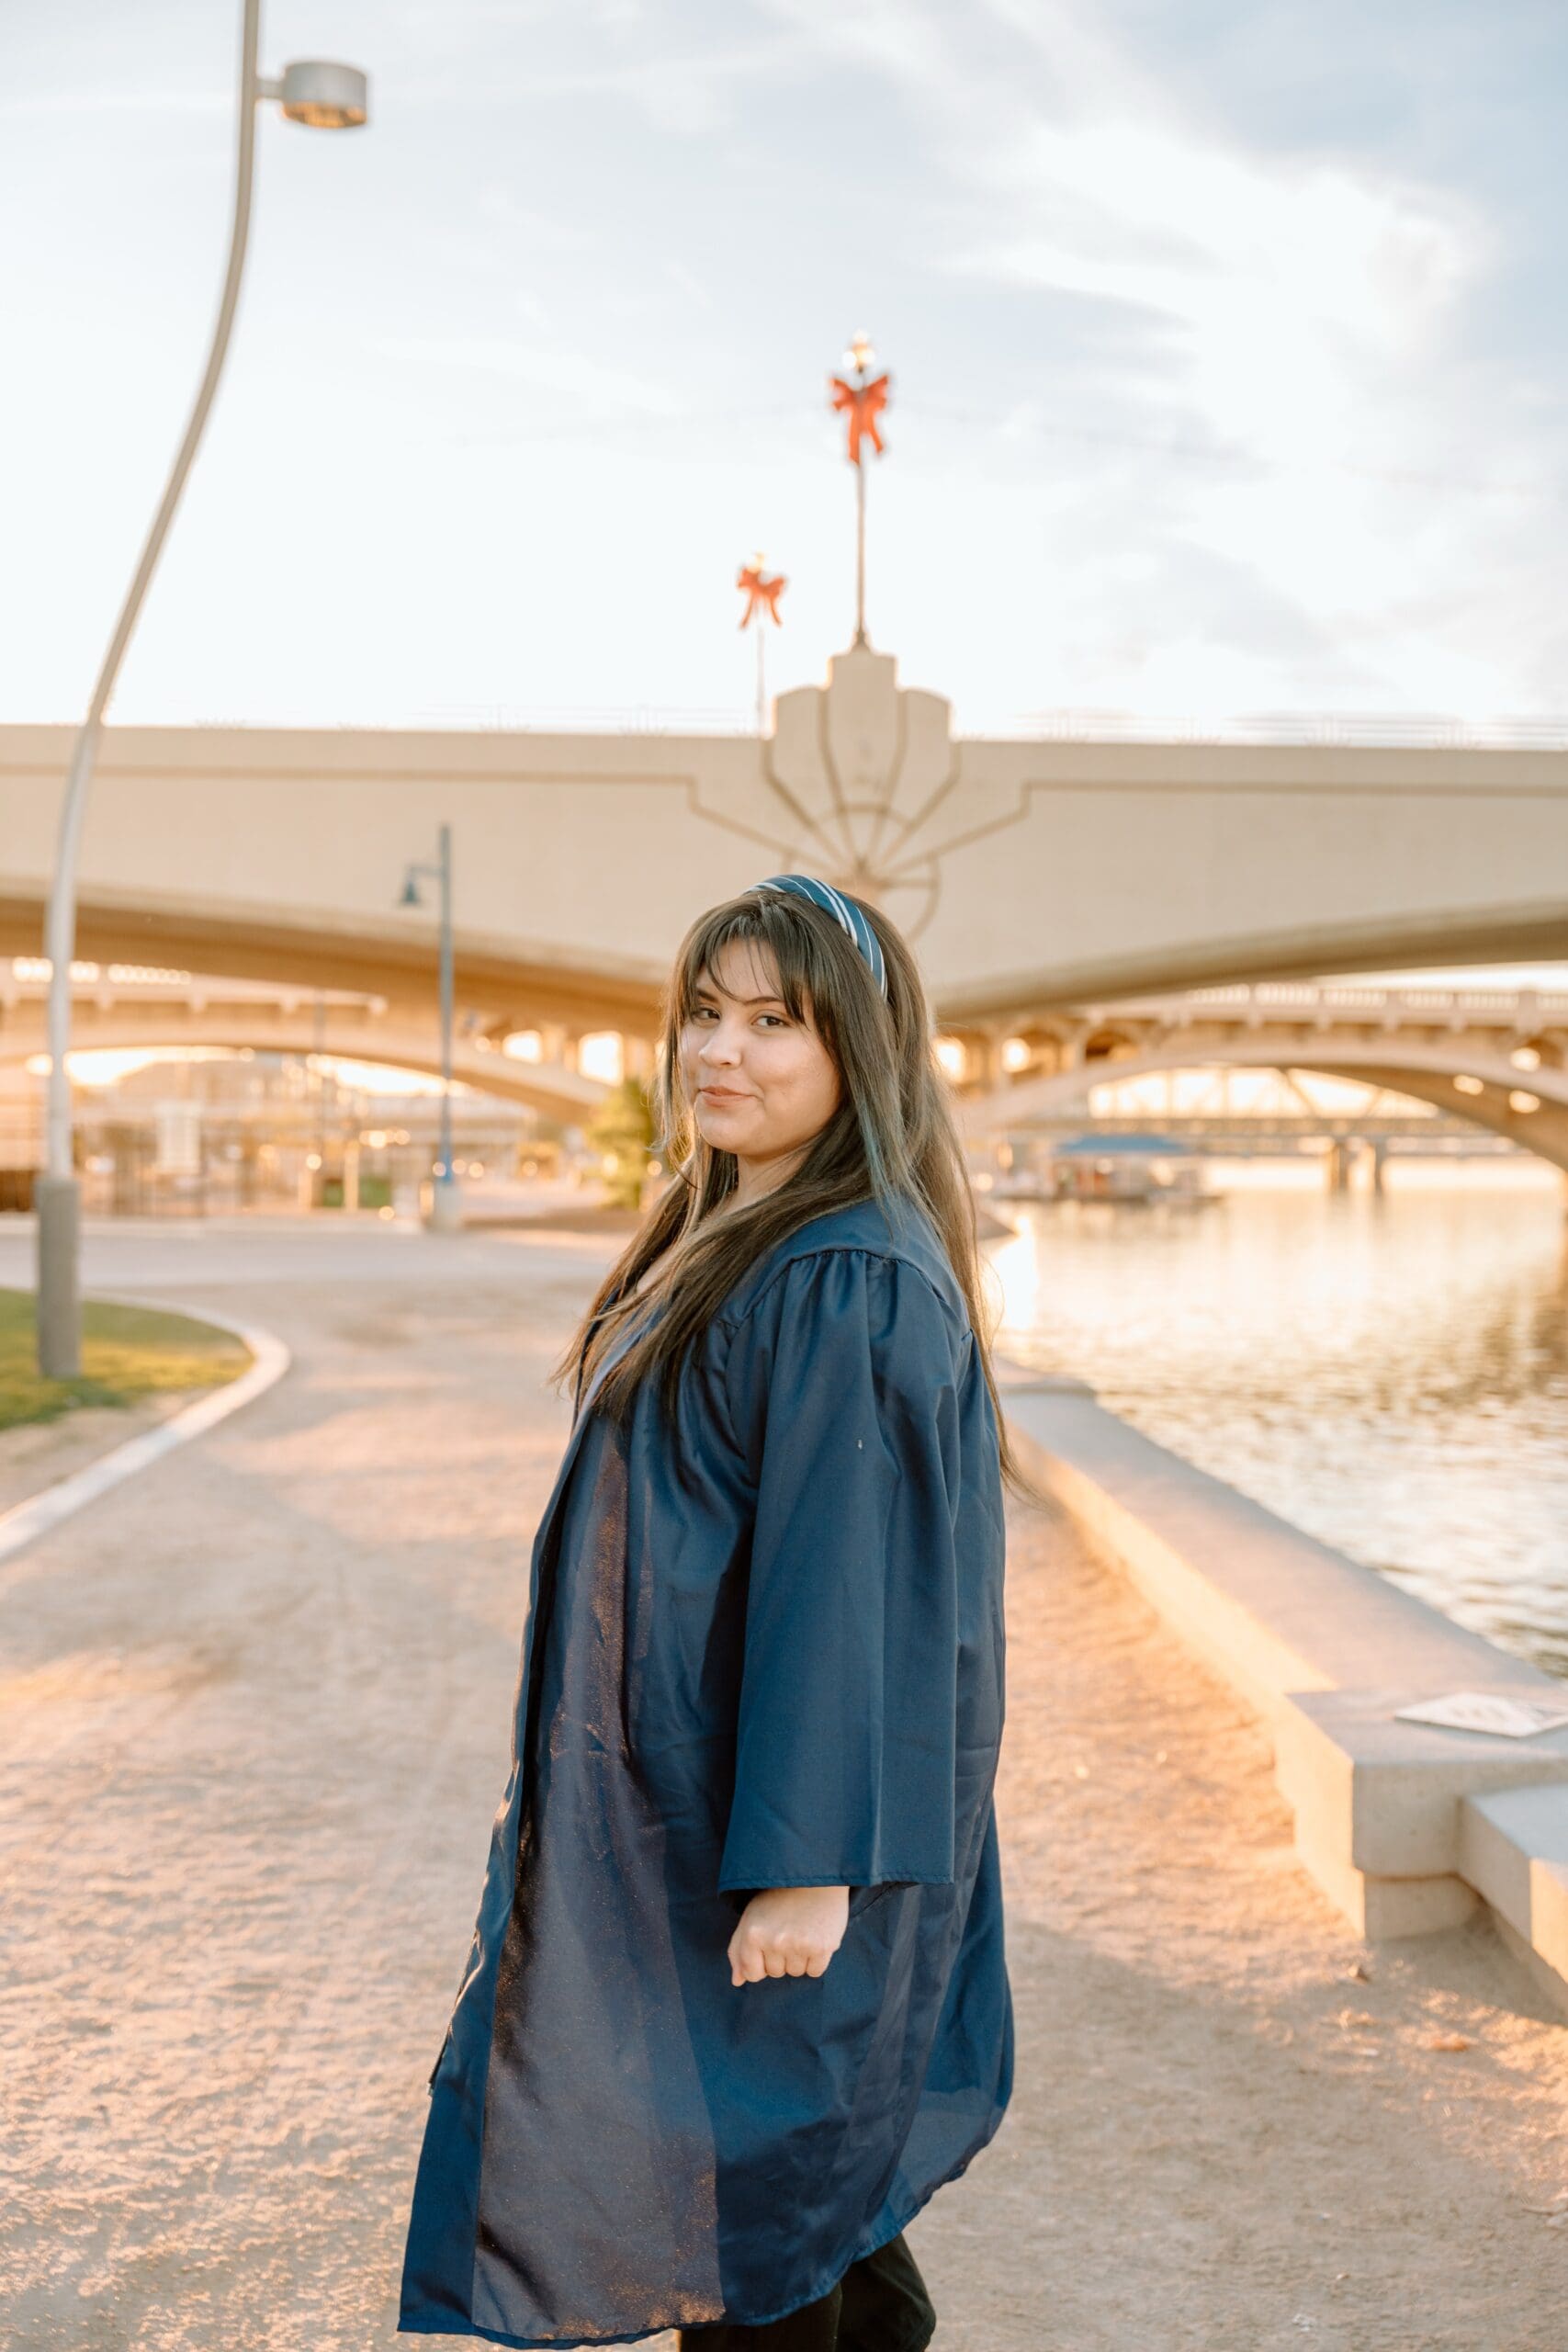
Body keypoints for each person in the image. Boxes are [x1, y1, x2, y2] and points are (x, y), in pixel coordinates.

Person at [399, 873, 1024, 2350]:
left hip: (788, 1835)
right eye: (703, 1011)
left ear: (856, 1048)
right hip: (699, 1800)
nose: (718, 1050)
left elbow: (850, 1585)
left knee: (755, 2209)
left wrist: (810, 1868)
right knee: (781, 2203)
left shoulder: (847, 1276)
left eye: (771, 1021)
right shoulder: (732, 1229)